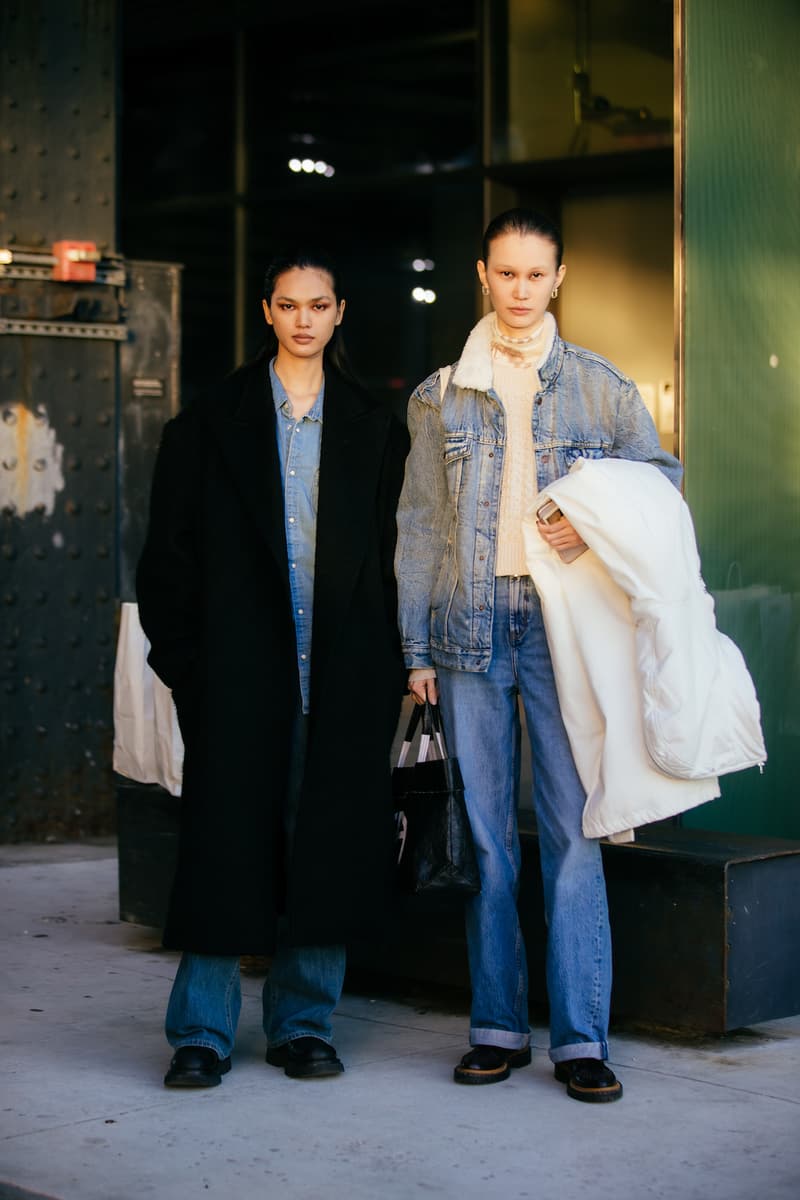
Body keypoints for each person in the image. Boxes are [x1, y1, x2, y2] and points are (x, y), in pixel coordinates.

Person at [394, 207, 682, 1103]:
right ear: (483, 274)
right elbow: (419, 528)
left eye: (535, 275)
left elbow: (662, 488)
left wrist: (587, 527)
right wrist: (416, 644)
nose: (519, 291)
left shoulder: (602, 388)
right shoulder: (438, 396)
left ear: (558, 280)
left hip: (565, 634)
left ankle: (582, 1040)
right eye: (505, 274)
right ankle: (497, 1028)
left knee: (572, 834)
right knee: (487, 843)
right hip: (469, 633)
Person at [136, 247, 409, 1087]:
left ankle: (302, 1026)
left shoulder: (374, 423)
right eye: (287, 304)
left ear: (338, 314)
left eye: (318, 305)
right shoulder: (209, 423)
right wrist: (188, 667)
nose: (303, 319)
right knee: (223, 848)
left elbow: (402, 555)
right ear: (266, 313)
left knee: (323, 849)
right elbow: (166, 560)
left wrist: (395, 665)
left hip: (343, 677)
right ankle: (202, 1033)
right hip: (236, 679)